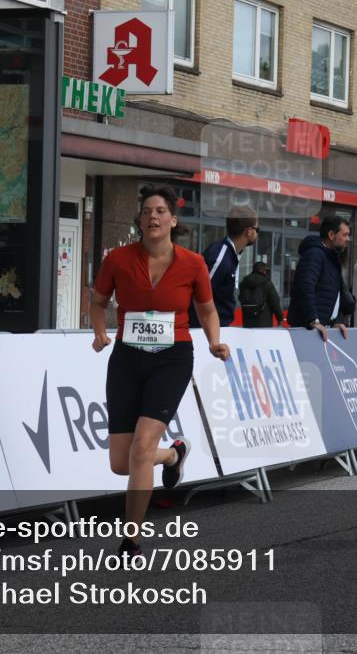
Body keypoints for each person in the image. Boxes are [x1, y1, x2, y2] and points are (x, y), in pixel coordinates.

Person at [90, 184, 230, 557]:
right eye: (146, 211)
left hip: (172, 358)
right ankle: (172, 455)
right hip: (126, 358)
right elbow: (99, 301)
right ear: (139, 220)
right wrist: (100, 331)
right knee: (122, 462)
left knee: (140, 446)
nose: (153, 216)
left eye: (160, 211)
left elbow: (207, 310)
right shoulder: (118, 260)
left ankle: (131, 539)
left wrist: (215, 342)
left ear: (173, 219)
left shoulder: (192, 263)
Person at [188, 205, 259, 328]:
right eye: (258, 229)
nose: (258, 233)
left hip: (217, 328)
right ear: (249, 231)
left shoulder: (231, 254)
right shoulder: (220, 257)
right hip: (205, 332)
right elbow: (197, 295)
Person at [286, 215, 351, 341]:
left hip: (320, 329)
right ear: (332, 235)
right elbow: (305, 286)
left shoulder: (331, 257)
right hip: (307, 331)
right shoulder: (314, 254)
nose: (348, 239)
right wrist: (313, 320)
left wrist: (333, 322)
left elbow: (329, 294)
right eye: (344, 234)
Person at [239, 260, 284, 328]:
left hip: (247, 322)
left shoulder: (243, 284)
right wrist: (280, 319)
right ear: (264, 271)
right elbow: (275, 302)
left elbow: (240, 298)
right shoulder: (267, 284)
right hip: (264, 323)